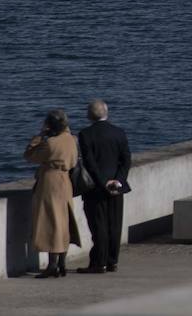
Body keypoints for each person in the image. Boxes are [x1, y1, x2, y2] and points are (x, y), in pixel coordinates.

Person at [23, 108, 81, 279]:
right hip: (66, 182)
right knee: (64, 222)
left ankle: (52, 266)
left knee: (51, 223)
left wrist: (39, 136)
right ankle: (62, 263)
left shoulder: (51, 143)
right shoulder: (71, 140)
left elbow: (29, 155)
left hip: (51, 182)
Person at [77, 99, 132, 275]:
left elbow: (90, 163)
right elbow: (126, 160)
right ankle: (112, 261)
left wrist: (102, 183)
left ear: (89, 115)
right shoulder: (119, 132)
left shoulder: (85, 134)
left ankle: (99, 263)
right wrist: (118, 180)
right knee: (114, 225)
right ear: (106, 113)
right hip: (117, 187)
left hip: (96, 189)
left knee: (98, 225)